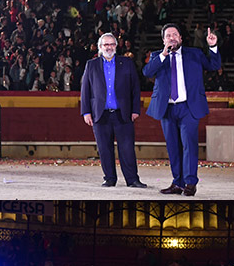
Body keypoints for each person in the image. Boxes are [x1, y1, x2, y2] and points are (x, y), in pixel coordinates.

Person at [142, 23, 221, 196]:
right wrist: (163, 54)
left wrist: (212, 46)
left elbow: (213, 66)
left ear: (181, 38)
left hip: (188, 107)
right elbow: (147, 72)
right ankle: (177, 183)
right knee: (173, 147)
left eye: (175, 35)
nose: (172, 38)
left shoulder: (194, 54)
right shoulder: (157, 56)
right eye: (168, 35)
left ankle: (190, 183)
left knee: (189, 145)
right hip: (167, 109)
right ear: (163, 40)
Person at [80, 32, 147, 189]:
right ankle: (109, 178)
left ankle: (132, 180)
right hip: (100, 114)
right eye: (105, 45)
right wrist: (86, 112)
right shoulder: (92, 64)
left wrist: (135, 109)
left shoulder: (127, 63)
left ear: (116, 46)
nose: (109, 47)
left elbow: (135, 88)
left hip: (122, 114)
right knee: (104, 149)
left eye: (111, 44)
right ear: (100, 47)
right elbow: (85, 90)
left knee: (127, 149)